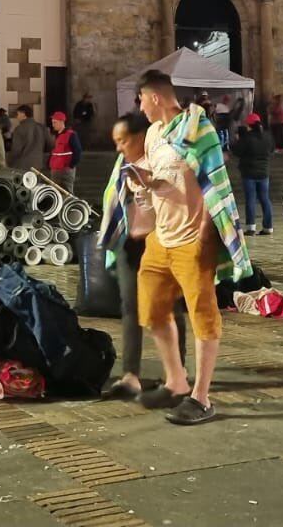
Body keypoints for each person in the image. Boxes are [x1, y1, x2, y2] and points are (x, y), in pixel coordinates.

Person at [120, 69, 250, 427]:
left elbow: (214, 183)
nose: (140, 108)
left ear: (154, 97)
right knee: (152, 310)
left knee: (202, 316)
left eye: (141, 100)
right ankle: (176, 381)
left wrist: (207, 234)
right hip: (160, 238)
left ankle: (202, 398)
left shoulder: (199, 130)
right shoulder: (153, 134)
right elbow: (159, 179)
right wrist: (141, 182)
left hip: (192, 238)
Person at [99, 112, 186, 399]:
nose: (118, 147)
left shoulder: (163, 160)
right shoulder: (122, 165)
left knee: (170, 307)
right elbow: (114, 199)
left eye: (122, 140)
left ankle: (177, 374)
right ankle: (130, 375)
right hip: (129, 244)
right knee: (130, 307)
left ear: (139, 137)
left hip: (159, 243)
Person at [232, 113, 273, 234]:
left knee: (250, 199)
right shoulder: (267, 136)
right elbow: (271, 150)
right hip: (264, 173)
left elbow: (237, 151)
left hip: (249, 173)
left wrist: (237, 140)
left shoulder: (246, 138)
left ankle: (251, 227)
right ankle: (268, 227)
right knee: (265, 199)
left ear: (249, 125)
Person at [48, 111, 81, 193]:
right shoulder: (56, 135)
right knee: (55, 193)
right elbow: (54, 152)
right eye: (52, 122)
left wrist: (71, 165)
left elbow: (77, 151)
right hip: (55, 169)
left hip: (66, 170)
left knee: (67, 192)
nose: (53, 125)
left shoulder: (71, 135)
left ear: (61, 122)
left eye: (55, 122)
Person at [6, 104, 46, 171]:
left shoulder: (19, 129)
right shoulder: (41, 127)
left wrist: (9, 161)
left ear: (23, 114)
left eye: (18, 114)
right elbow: (50, 145)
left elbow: (16, 150)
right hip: (38, 165)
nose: (17, 117)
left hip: (23, 166)